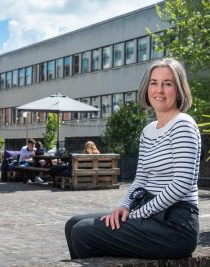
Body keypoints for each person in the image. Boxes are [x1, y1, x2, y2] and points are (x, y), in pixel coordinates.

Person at [65, 58, 201, 259]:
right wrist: (124, 206)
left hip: (175, 226)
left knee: (83, 232)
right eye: (154, 83)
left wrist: (138, 214)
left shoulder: (183, 124)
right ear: (147, 88)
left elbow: (182, 183)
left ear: (179, 89)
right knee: (73, 224)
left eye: (168, 83)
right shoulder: (148, 131)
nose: (159, 90)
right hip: (150, 214)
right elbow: (141, 179)